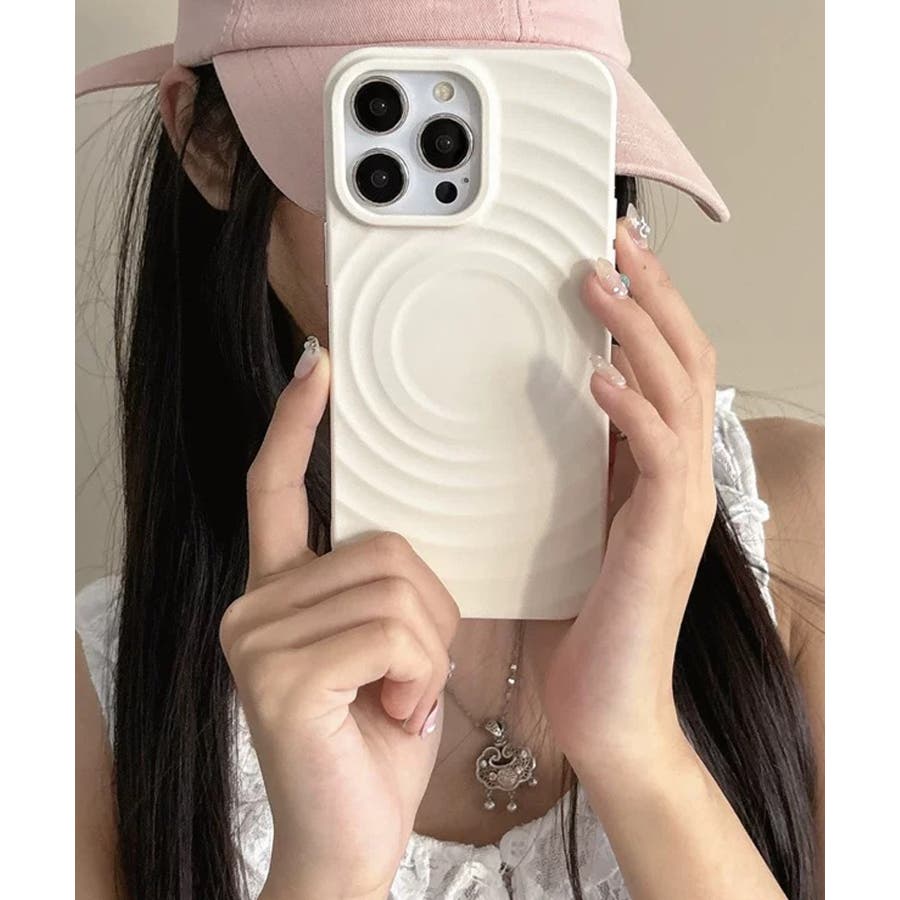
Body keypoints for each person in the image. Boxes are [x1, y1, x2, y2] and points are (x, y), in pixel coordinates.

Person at [74, 2, 824, 898]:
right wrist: (325, 869)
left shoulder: (802, 534)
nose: (478, 235)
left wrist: (639, 747)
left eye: (541, 149)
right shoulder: (87, 707)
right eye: (392, 145)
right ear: (210, 147)